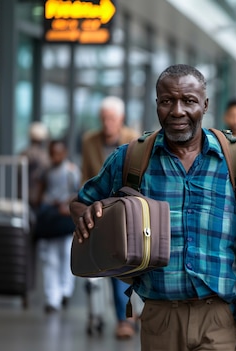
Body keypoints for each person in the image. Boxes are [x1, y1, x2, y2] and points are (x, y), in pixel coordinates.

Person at [70, 64, 236, 350]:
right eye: (167, 101)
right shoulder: (132, 158)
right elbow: (82, 202)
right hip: (158, 317)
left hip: (220, 317)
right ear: (157, 104)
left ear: (205, 104)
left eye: (188, 101)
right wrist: (88, 215)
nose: (177, 111)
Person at [80, 95, 140, 339]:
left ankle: (125, 318)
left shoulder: (133, 141)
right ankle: (123, 315)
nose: (107, 123)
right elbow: (86, 176)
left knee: (119, 267)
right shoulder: (89, 141)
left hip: (125, 211)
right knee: (102, 265)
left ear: (121, 119)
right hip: (97, 210)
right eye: (103, 118)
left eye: (112, 119)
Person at [35, 139, 80, 314]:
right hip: (50, 217)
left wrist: (67, 206)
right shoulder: (46, 171)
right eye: (53, 153)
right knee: (50, 259)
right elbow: (40, 193)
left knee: (67, 255)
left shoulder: (71, 171)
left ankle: (65, 290)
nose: (55, 156)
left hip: (66, 218)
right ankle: (52, 298)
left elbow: (78, 192)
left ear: (65, 153)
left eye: (59, 153)